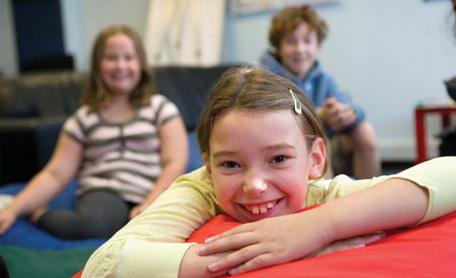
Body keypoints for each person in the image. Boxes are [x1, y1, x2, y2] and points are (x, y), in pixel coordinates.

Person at [82, 67, 456, 277]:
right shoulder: (201, 189)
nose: (255, 185)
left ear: (315, 158)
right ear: (208, 164)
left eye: (278, 159)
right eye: (230, 164)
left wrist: (316, 227)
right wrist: (249, 259)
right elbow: (105, 263)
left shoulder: (321, 194)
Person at [0, 25, 188, 239]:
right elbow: (55, 174)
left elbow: (175, 162)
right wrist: (14, 209)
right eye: (111, 58)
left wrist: (150, 202)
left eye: (129, 57)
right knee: (92, 225)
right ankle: (39, 214)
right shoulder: (83, 119)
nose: (121, 65)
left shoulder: (161, 108)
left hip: (154, 191)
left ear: (141, 64)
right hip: (105, 194)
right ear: (98, 65)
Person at [260, 5, 380, 179]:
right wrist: (318, 116)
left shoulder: (323, 78)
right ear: (278, 47)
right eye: (291, 41)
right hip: (285, 151)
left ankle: (369, 195)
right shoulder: (266, 77)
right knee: (318, 138)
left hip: (327, 148)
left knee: (365, 130)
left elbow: (346, 102)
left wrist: (347, 112)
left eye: (307, 41)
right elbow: (273, 121)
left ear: (318, 46)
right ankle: (326, 201)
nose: (300, 49)